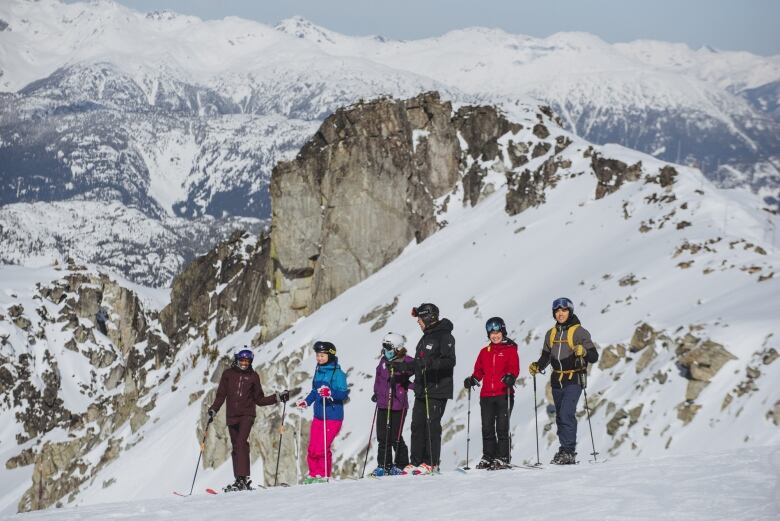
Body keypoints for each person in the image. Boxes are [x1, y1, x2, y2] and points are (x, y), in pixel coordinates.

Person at [208, 348, 290, 492]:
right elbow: (221, 395)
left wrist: (277, 397)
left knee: (241, 442)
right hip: (231, 416)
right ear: (237, 360)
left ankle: (242, 478)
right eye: (242, 360)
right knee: (236, 447)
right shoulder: (228, 374)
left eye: (247, 361)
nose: (245, 363)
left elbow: (259, 399)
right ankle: (240, 480)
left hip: (247, 415)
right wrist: (214, 409)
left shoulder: (253, 376)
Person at [528, 298, 598, 464]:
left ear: (570, 312)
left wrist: (584, 352)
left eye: (564, 310)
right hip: (556, 380)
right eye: (557, 311)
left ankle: (568, 452)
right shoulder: (550, 334)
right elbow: (546, 356)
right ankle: (564, 450)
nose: (560, 314)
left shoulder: (580, 332)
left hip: (574, 378)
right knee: (560, 416)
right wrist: (538, 366)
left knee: (566, 414)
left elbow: (594, 356)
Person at [392, 302, 456, 475]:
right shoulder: (425, 337)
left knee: (431, 425)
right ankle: (416, 462)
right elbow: (419, 363)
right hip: (422, 389)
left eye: (420, 318)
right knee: (416, 425)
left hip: (436, 389)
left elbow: (450, 361)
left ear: (428, 317)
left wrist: (430, 363)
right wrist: (403, 367)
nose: (418, 322)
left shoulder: (444, 336)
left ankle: (430, 462)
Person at [464, 317, 520, 470]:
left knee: (502, 427)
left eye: (497, 332)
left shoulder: (510, 350)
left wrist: (510, 377)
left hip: (504, 394)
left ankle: (503, 457)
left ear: (503, 332)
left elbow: (514, 368)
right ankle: (489, 456)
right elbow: (479, 371)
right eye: (492, 333)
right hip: (487, 395)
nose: (495, 336)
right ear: (488, 335)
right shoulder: (484, 352)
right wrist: (473, 379)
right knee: (487, 427)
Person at [296, 341, 349, 483]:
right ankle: (313, 475)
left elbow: (343, 394)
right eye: (318, 355)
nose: (319, 358)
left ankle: (324, 475)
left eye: (322, 355)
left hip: (332, 416)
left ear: (330, 355)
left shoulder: (338, 374)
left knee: (322, 448)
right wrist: (306, 401)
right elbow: (315, 391)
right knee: (312, 448)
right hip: (319, 416)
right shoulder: (318, 371)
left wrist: (330, 392)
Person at [370, 332, 415, 477]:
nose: (385, 350)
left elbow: (415, 369)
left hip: (398, 405)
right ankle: (384, 465)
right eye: (384, 346)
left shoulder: (405, 360)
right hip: (383, 403)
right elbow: (378, 379)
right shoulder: (383, 361)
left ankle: (401, 464)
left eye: (388, 347)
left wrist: (408, 380)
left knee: (395, 436)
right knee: (383, 436)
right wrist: (376, 392)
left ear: (397, 348)